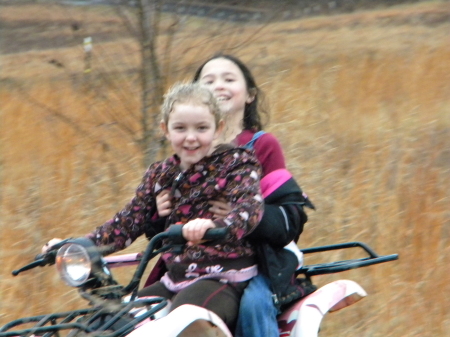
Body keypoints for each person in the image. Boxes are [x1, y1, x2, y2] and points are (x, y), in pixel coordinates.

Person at [43, 82, 264, 332]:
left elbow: (249, 207)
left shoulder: (236, 165)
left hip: (223, 277)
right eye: (180, 128)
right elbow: (127, 222)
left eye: (201, 128)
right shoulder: (161, 175)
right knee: (116, 321)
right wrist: (75, 247)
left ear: (218, 128)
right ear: (165, 130)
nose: (190, 137)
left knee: (184, 320)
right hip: (175, 279)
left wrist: (215, 225)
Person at [152, 54, 315, 337]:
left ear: (250, 94)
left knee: (254, 305)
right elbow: (164, 223)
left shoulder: (261, 145)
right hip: (194, 260)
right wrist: (160, 212)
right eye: (209, 80)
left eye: (229, 79)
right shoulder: (190, 145)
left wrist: (239, 212)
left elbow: (280, 207)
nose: (219, 86)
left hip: (256, 258)